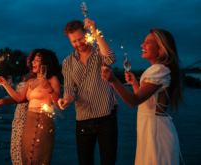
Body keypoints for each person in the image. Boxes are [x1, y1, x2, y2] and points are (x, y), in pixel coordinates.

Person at [101, 28, 185, 165]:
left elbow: (134, 101)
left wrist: (113, 80)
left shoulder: (159, 70)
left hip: (156, 135)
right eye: (144, 42)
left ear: (160, 50)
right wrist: (135, 85)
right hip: (151, 132)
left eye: (148, 42)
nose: (142, 45)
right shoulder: (159, 70)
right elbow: (146, 102)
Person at [57, 19, 119, 165]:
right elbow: (70, 90)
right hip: (83, 120)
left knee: (108, 162)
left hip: (107, 118)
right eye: (74, 41)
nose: (78, 43)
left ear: (86, 34)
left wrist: (95, 31)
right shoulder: (67, 62)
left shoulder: (99, 51)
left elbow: (111, 58)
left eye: (80, 39)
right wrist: (66, 100)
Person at [0, 49, 61, 165]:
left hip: (43, 121)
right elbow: (19, 98)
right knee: (26, 157)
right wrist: (4, 83)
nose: (33, 62)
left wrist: (49, 88)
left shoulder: (52, 79)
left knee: (38, 158)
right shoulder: (30, 81)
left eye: (37, 60)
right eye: (33, 60)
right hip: (28, 123)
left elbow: (58, 103)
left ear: (45, 62)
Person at [0, 49, 37, 165]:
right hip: (18, 116)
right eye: (28, 56)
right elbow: (19, 99)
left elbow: (23, 99)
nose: (28, 58)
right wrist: (7, 98)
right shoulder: (24, 76)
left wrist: (6, 90)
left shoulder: (36, 79)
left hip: (28, 117)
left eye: (31, 57)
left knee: (25, 151)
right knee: (16, 149)